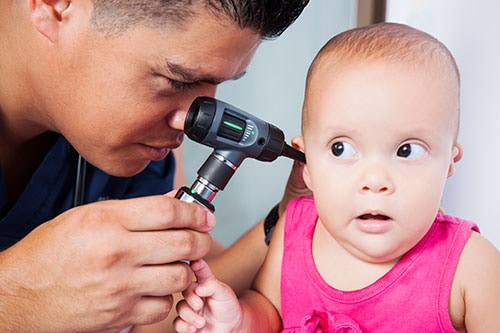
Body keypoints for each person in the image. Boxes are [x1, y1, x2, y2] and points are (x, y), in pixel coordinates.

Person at [0, 0, 311, 332]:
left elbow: (161, 307)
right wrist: (18, 297)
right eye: (178, 81)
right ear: (55, 6)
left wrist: (291, 218)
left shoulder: (138, 139)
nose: (190, 123)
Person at [174, 22, 500, 332]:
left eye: (407, 151)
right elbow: (269, 311)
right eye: (341, 149)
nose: (374, 181)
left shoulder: (471, 266)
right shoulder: (295, 229)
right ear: (308, 166)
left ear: (448, 164)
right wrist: (238, 322)